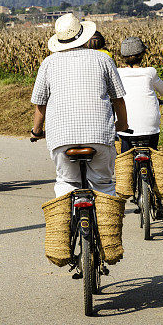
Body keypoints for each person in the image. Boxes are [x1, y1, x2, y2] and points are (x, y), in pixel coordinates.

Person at [30, 13, 129, 197]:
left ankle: (64, 221)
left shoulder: (48, 63)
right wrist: (122, 125)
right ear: (83, 35)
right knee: (103, 184)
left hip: (61, 138)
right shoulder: (103, 59)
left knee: (66, 182)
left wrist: (36, 131)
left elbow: (40, 105)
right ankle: (107, 222)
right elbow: (118, 99)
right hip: (99, 135)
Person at [116, 36, 163, 218]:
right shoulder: (150, 72)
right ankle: (159, 200)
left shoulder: (117, 73)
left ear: (123, 57)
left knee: (126, 158)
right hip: (150, 126)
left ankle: (131, 187)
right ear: (142, 55)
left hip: (125, 126)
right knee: (154, 159)